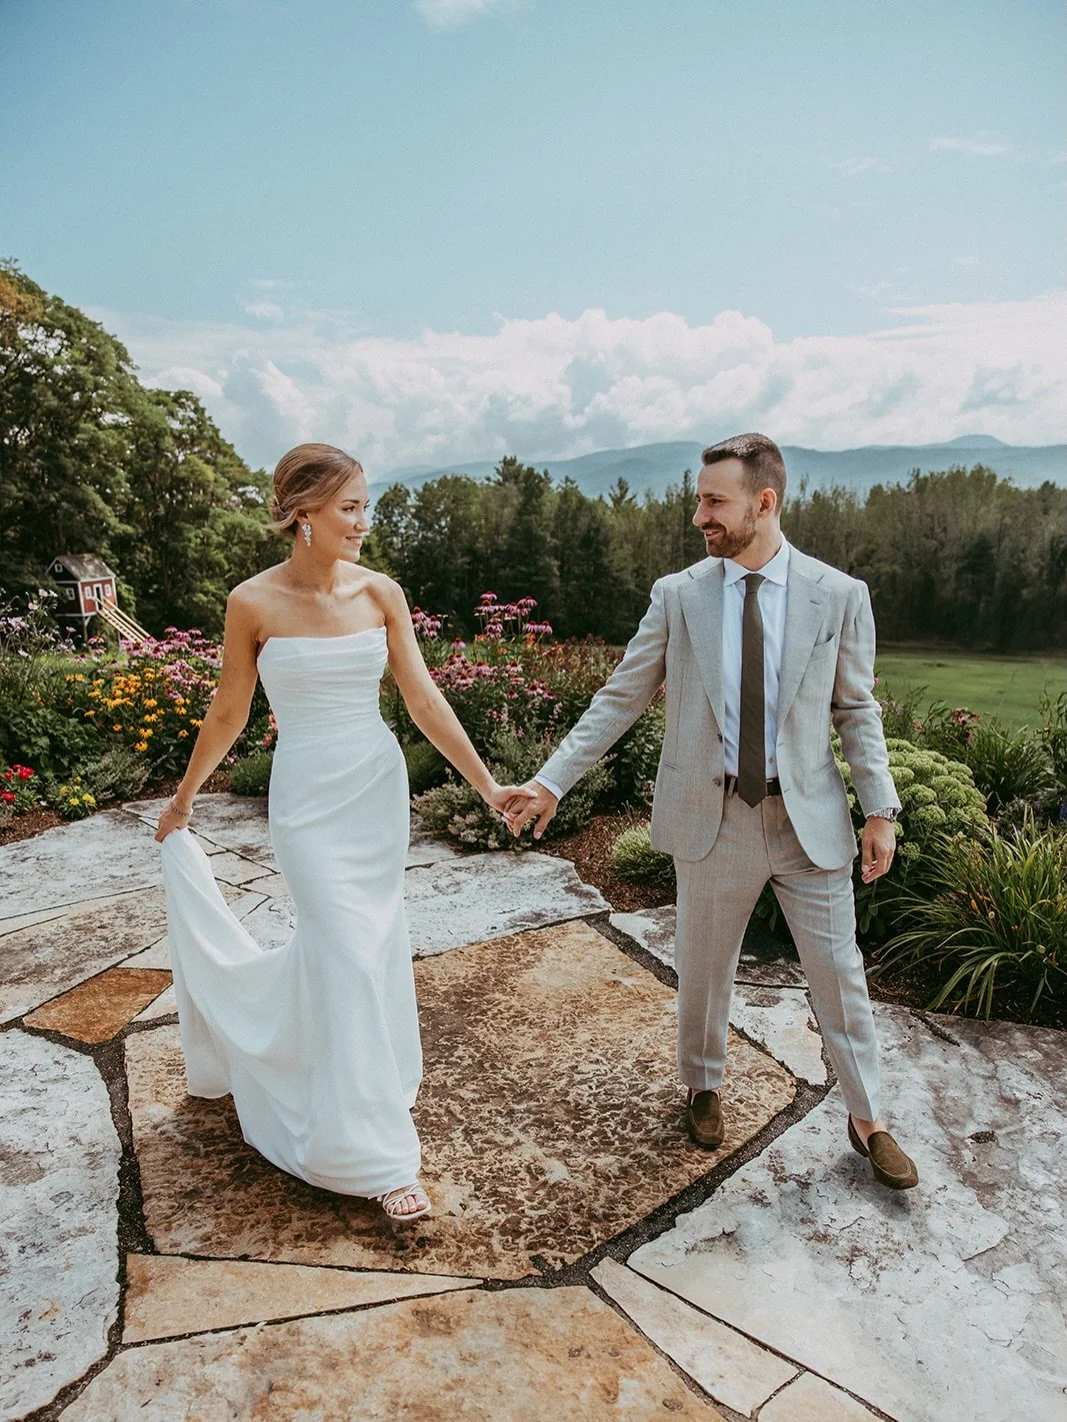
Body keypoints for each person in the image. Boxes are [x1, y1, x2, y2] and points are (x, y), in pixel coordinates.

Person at [507, 433, 918, 1190]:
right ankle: (701, 1085)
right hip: (713, 817)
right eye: (698, 499)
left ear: (763, 503)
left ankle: (868, 1120)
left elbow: (856, 709)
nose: (699, 516)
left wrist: (879, 808)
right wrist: (551, 781)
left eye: (713, 501)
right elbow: (619, 697)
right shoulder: (680, 594)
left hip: (808, 824)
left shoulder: (838, 595)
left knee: (838, 973)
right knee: (702, 971)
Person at [155, 443, 531, 1222]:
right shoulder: (251, 603)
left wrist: (489, 786)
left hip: (371, 787)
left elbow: (424, 701)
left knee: (369, 944)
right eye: (348, 507)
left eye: (366, 505)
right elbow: (229, 711)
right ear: (302, 515)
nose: (362, 522)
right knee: (344, 946)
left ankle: (360, 1088)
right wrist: (185, 797)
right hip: (305, 800)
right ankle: (375, 1158)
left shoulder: (380, 593)